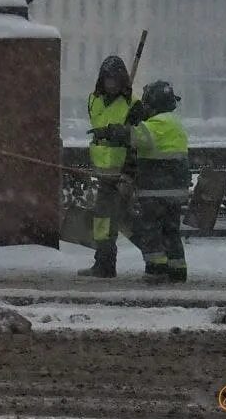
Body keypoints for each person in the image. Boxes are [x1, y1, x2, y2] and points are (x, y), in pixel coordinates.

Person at [90, 80, 190, 284]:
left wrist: (110, 131)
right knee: (171, 231)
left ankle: (156, 269)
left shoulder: (158, 124)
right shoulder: (175, 123)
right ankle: (178, 268)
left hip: (156, 189)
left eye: (147, 103)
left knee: (151, 229)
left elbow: (135, 137)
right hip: (174, 189)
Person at [78, 56, 136, 279]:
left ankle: (158, 262)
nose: (110, 83)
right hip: (104, 174)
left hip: (123, 174)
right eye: (107, 79)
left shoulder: (133, 105)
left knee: (128, 221)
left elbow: (137, 141)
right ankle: (104, 264)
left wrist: (129, 175)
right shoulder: (93, 100)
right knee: (103, 221)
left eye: (114, 79)